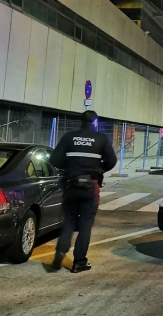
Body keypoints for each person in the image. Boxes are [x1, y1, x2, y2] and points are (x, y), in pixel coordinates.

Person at [48, 111, 117, 273]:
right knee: (86, 224)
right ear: (95, 122)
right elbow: (112, 161)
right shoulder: (101, 139)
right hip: (90, 186)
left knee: (69, 221)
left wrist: (71, 168)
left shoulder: (69, 137)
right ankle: (79, 262)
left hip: (71, 185)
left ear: (81, 122)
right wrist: (99, 169)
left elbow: (54, 160)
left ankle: (59, 253)